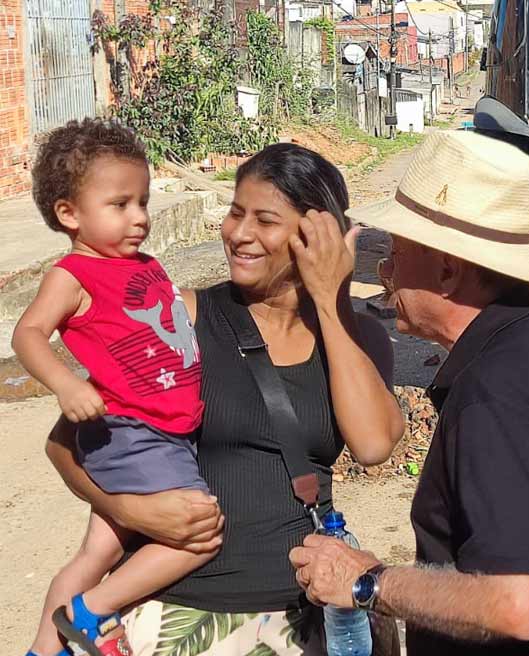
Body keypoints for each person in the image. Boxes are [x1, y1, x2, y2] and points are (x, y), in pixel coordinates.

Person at [289, 130, 529, 655]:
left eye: (397, 251)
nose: (385, 270)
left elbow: (517, 605)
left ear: (448, 269)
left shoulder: (494, 395)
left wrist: (367, 581)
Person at [45, 141, 404, 655]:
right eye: (236, 213)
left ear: (313, 235)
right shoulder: (178, 319)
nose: (238, 234)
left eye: (265, 220)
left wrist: (331, 301)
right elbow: (64, 445)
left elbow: (372, 445)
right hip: (177, 615)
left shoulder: (356, 338)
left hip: (302, 619)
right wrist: (128, 509)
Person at [13, 118, 214, 656]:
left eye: (143, 201)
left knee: (94, 555)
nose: (140, 218)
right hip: (135, 433)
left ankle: (41, 648)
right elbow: (27, 334)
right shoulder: (73, 275)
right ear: (69, 214)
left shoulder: (144, 265)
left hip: (160, 431)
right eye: (121, 204)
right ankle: (90, 610)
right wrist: (64, 383)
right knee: (199, 535)